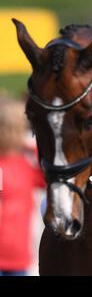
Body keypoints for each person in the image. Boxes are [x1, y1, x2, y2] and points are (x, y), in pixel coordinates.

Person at [0, 95, 45, 276]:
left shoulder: (25, 164)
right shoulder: (10, 166)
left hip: (19, 255)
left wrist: (31, 149)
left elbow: (46, 178)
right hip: (9, 254)